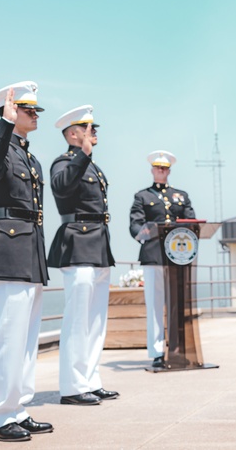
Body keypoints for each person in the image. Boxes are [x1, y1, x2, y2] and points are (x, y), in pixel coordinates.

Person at [0, 82, 52, 441]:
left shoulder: (29, 156)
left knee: (26, 337)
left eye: (36, 110)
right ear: (10, 110)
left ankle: (17, 407)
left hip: (30, 248)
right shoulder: (1, 147)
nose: (35, 114)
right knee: (8, 334)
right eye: (28, 109)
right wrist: (3, 125)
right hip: (8, 247)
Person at [48, 105, 118, 405]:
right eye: (90, 129)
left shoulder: (92, 167)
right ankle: (73, 387)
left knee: (96, 320)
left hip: (99, 245)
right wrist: (83, 155)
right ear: (73, 134)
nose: (95, 133)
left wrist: (86, 158)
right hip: (77, 243)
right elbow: (61, 188)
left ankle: (90, 379)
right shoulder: (65, 162)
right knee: (78, 320)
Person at [128, 150, 196, 367]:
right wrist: (142, 232)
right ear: (152, 170)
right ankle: (158, 351)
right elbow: (135, 224)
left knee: (177, 304)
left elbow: (191, 220)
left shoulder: (181, 195)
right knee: (155, 305)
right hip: (153, 255)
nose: (161, 171)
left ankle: (177, 348)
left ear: (169, 171)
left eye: (165, 168)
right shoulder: (143, 196)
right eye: (158, 168)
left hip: (177, 254)